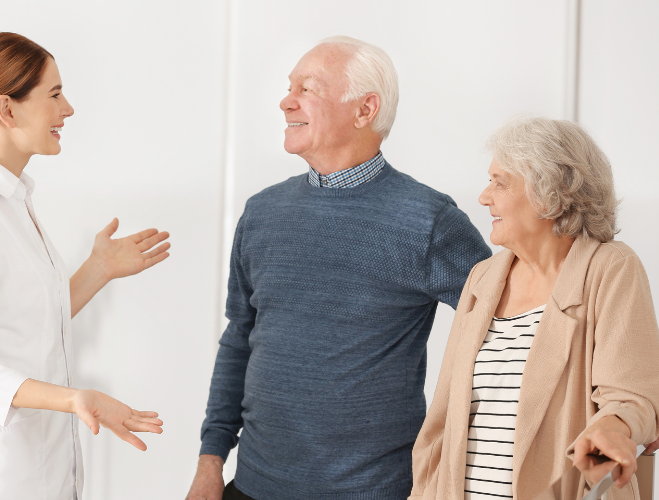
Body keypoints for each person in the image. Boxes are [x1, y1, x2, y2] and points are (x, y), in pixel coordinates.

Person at [186, 36, 492, 500]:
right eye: (289, 87)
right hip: (251, 486)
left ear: (365, 109)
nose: (286, 101)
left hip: (372, 491)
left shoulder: (428, 221)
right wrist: (211, 459)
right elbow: (239, 339)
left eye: (307, 89)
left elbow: (514, 323)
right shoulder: (262, 212)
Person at [0, 33, 168, 500]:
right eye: (54, 94)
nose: (68, 109)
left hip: (32, 464)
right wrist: (74, 399)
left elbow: (27, 321)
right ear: (7, 110)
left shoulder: (12, 200)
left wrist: (98, 269)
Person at [408, 117, 659, 499]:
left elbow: (631, 399)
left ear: (550, 192)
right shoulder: (482, 278)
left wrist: (614, 430)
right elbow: (442, 424)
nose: (484, 196)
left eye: (500, 183)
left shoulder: (610, 268)